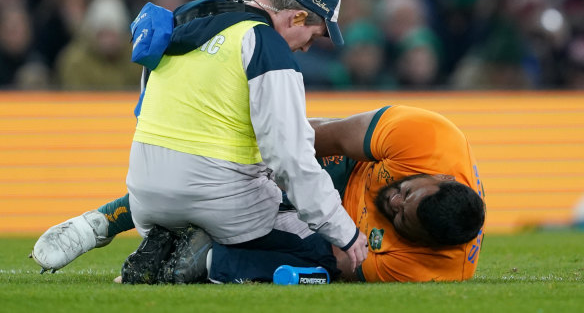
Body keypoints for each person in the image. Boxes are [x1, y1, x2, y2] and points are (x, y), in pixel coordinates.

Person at [49, 0, 367, 277]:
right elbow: (290, 157)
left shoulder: (187, 17)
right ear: (296, 16)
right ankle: (210, 259)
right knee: (330, 257)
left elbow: (144, 105)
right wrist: (345, 233)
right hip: (221, 205)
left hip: (145, 198)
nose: (309, 46)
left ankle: (164, 240)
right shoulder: (266, 45)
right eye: (316, 34)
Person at [32, 104, 485, 283]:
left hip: (342, 235)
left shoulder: (429, 269)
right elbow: (321, 135)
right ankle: (102, 223)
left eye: (402, 219)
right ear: (442, 178)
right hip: (340, 164)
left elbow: (346, 268)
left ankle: (200, 259)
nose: (394, 201)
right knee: (229, 173)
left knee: (325, 263)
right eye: (406, 190)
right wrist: (252, 161)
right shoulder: (431, 139)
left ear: (422, 242)